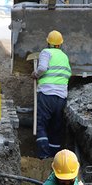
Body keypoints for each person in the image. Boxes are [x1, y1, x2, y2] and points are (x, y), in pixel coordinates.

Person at [33, 30, 71, 159]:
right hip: (61, 97)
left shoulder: (46, 52)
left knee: (42, 125)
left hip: (46, 94)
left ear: (48, 42)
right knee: (56, 127)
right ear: (60, 44)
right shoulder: (64, 56)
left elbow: (42, 68)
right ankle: (55, 158)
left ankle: (43, 157)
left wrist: (36, 74)